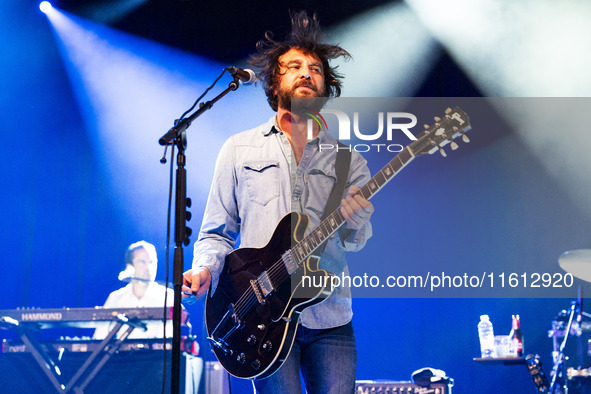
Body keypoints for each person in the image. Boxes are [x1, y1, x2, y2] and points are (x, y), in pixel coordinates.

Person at [182, 11, 374, 394]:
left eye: (315, 69)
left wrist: (356, 219)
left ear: (325, 86)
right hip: (261, 313)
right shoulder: (239, 148)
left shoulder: (348, 160)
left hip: (329, 316)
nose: (306, 73)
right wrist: (205, 268)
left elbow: (356, 238)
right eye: (294, 66)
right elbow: (217, 232)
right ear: (275, 81)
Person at [93, 240, 174, 339]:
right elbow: (100, 337)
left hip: (158, 354)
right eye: (142, 262)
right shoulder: (115, 298)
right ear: (129, 267)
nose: (148, 267)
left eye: (152, 262)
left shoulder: (168, 296)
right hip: (120, 354)